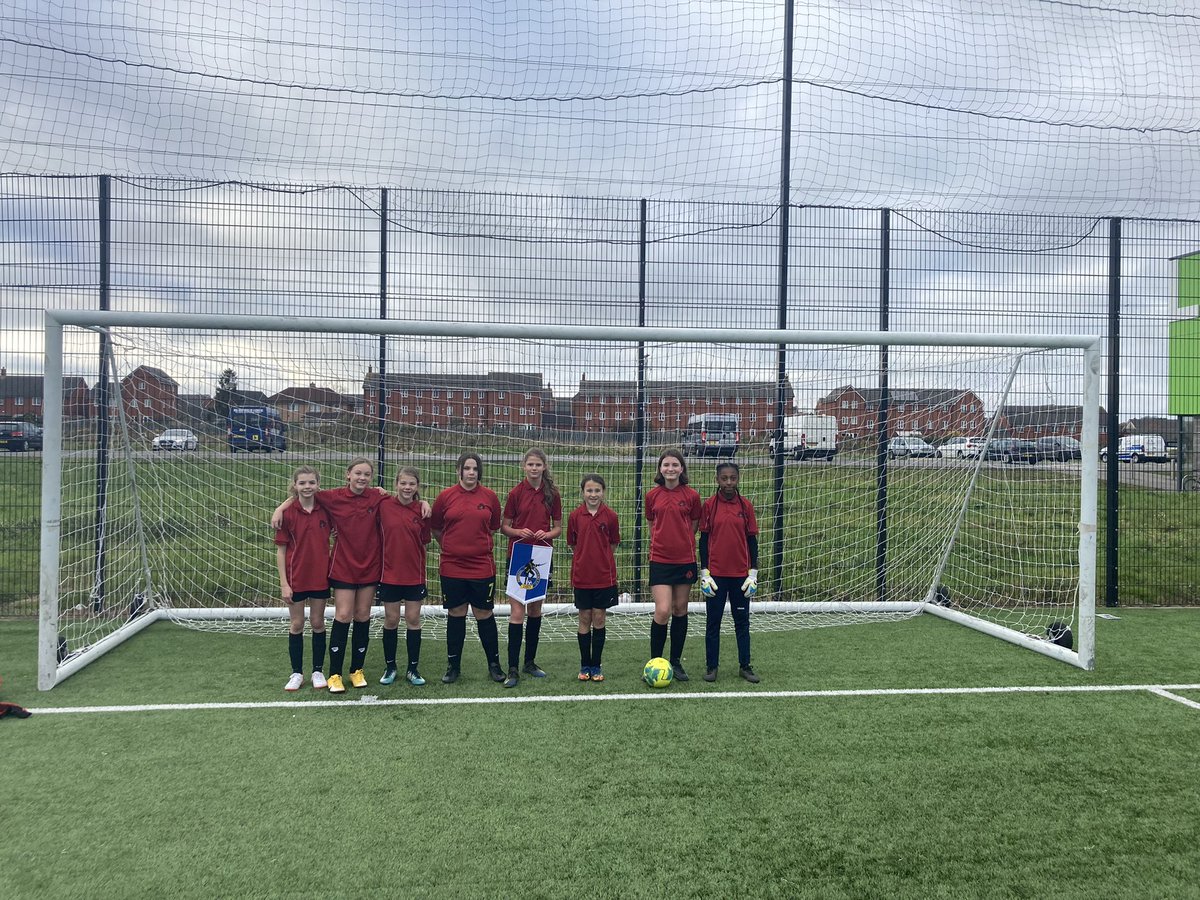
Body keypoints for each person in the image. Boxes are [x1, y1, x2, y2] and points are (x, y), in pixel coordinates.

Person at [272, 457, 383, 694]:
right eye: (357, 473)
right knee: (337, 616)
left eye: (366, 474)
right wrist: (280, 508)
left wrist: (422, 502)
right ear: (348, 474)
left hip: (362, 569)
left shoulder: (376, 496)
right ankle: (328, 673)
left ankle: (354, 670)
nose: (362, 478)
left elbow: (401, 499)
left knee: (357, 616)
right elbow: (301, 495)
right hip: (335, 569)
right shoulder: (330, 498)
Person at [430, 452, 505, 684]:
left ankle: (494, 665)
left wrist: (475, 545)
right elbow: (436, 528)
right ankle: (453, 666)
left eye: (475, 468)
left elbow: (492, 527)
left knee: (484, 613)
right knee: (456, 613)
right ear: (459, 471)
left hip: (481, 566)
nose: (471, 472)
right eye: (467, 468)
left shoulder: (490, 497)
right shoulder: (445, 497)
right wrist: (451, 546)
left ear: (479, 472)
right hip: (452, 566)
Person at [499, 448, 563, 687]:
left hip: (541, 556)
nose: (534, 468)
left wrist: (547, 534)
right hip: (519, 555)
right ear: (523, 466)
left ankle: (530, 662)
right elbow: (504, 527)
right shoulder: (515, 493)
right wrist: (518, 532)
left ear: (544, 467)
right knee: (517, 613)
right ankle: (512, 668)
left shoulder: (552, 494)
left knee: (535, 610)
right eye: (530, 464)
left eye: (538, 464)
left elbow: (558, 528)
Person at [698, 461, 761, 683]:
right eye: (724, 478)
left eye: (732, 478)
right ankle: (711, 667)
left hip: (741, 577)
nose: (728, 482)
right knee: (713, 622)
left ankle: (745, 666)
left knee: (742, 622)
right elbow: (703, 540)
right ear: (717, 480)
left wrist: (753, 573)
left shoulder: (746, 506)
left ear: (738, 479)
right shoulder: (709, 506)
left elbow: (752, 541)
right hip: (715, 576)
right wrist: (704, 572)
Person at [644, 448, 702, 681]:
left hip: (685, 560)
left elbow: (694, 524)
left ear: (682, 468)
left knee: (680, 609)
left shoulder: (692, 496)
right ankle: (654, 662)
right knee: (663, 610)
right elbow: (652, 524)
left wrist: (682, 541)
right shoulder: (652, 496)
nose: (670, 469)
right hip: (660, 560)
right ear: (660, 468)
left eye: (675, 465)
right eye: (666, 464)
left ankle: (676, 662)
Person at [274, 465, 332, 692]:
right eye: (302, 483)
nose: (307, 487)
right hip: (295, 578)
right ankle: (296, 673)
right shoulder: (287, 513)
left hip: (320, 577)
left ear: (318, 484)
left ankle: (318, 671)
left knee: (317, 622)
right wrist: (284, 583)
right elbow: (281, 551)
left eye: (311, 482)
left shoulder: (326, 509)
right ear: (295, 485)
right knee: (297, 624)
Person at [378, 466, 432, 686]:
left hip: (414, 576)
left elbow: (424, 543)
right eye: (403, 483)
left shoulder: (423, 511)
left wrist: (424, 502)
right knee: (391, 619)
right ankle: (390, 667)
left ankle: (413, 669)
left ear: (417, 486)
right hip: (389, 574)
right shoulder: (383, 505)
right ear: (396, 484)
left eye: (411, 484)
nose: (407, 487)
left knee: (413, 619)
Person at [566, 473, 621, 682]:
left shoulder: (611, 516)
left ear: (603, 492)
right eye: (589, 490)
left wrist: (601, 558)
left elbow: (613, 543)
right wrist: (584, 558)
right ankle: (585, 664)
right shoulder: (574, 516)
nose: (593, 494)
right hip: (582, 577)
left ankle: (596, 665)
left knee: (599, 618)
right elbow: (573, 544)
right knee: (584, 618)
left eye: (597, 490)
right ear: (583, 492)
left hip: (604, 577)